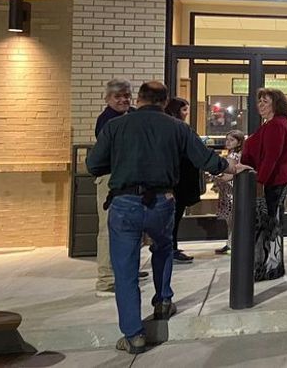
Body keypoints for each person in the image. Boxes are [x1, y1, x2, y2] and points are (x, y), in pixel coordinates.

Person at [86, 81, 247, 355]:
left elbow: (94, 165)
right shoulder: (177, 127)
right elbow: (204, 159)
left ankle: (133, 334)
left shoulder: (115, 126)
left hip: (124, 202)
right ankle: (162, 301)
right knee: (162, 249)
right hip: (162, 200)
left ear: (139, 98)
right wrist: (229, 165)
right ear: (164, 101)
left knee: (125, 270)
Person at [241, 88, 287, 281]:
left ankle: (270, 266)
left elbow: (271, 157)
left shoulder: (277, 125)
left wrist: (259, 182)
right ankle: (267, 264)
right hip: (269, 181)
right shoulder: (271, 123)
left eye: (265, 101)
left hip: (273, 183)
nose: (260, 105)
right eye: (259, 101)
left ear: (276, 104)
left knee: (271, 225)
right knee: (269, 225)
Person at [93, 78, 138, 297]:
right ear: (108, 98)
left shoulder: (131, 115)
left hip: (128, 178)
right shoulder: (107, 121)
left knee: (130, 227)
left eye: (126, 96)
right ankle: (106, 280)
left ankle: (125, 271)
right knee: (109, 229)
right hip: (110, 179)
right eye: (117, 96)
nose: (123, 100)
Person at [165, 98, 202, 264]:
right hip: (176, 182)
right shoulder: (178, 129)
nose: (187, 113)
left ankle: (171, 246)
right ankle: (170, 248)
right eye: (184, 110)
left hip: (179, 181)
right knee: (173, 215)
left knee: (175, 215)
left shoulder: (177, 128)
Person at [211, 130, 245, 255]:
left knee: (231, 220)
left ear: (239, 142)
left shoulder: (233, 156)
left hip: (230, 191)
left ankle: (232, 243)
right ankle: (231, 243)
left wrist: (216, 178)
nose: (228, 142)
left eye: (232, 140)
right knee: (231, 220)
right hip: (230, 190)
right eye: (227, 139)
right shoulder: (236, 154)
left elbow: (230, 174)